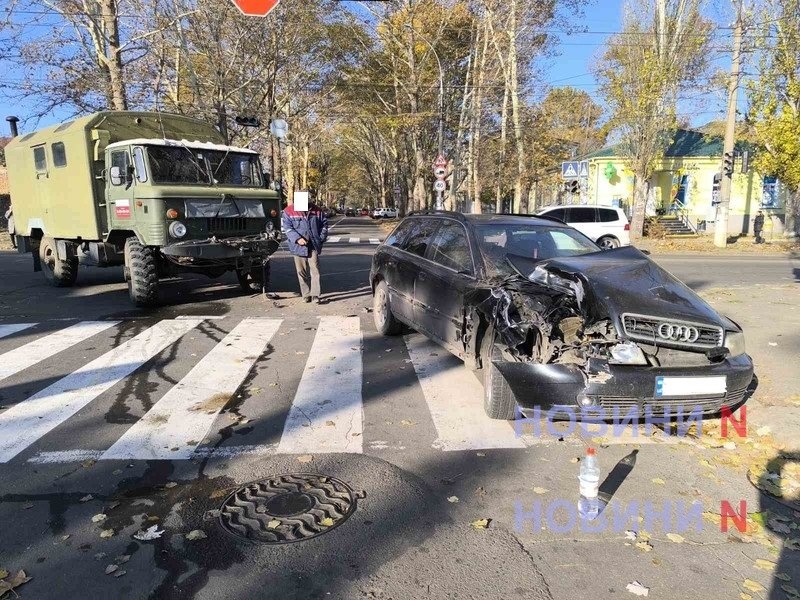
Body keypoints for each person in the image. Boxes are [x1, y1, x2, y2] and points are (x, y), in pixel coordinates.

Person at [281, 196, 328, 303]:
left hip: (313, 245)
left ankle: (315, 295)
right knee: (301, 271)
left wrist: (320, 238)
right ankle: (306, 294)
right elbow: (287, 228)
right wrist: (297, 239)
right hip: (298, 246)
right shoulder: (288, 211)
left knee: (315, 270)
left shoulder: (317, 211)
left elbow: (324, 225)